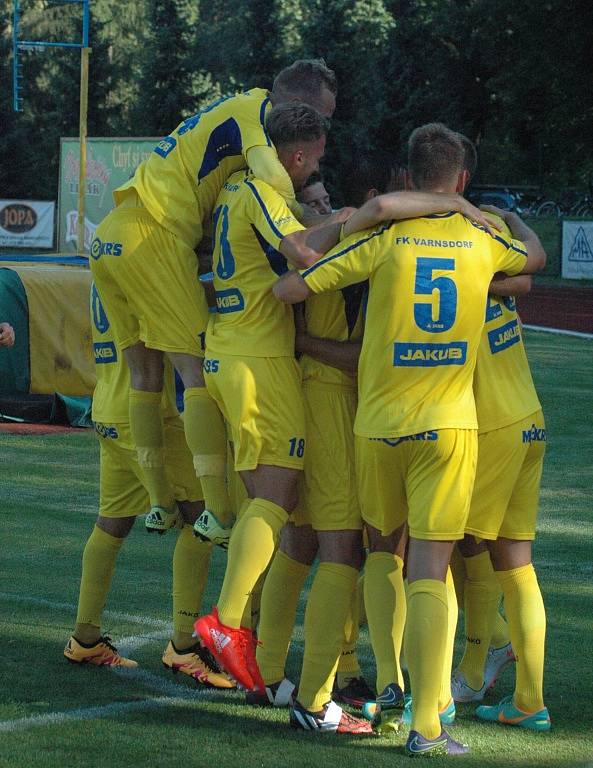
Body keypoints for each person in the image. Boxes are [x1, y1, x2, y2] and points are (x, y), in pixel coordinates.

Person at [273, 122, 546, 755]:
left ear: (408, 175)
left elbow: (290, 284)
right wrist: (490, 216)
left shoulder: (386, 239)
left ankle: (388, 684)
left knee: (379, 554)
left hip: (377, 425)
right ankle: (428, 724)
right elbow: (532, 264)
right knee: (432, 567)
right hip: (450, 428)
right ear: (460, 178)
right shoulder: (482, 240)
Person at [89, 59, 338, 539]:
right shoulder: (254, 113)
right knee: (193, 370)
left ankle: (160, 502)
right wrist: (314, 206)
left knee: (145, 372)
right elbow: (272, 177)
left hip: (114, 232)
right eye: (319, 117)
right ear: (295, 104)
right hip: (155, 234)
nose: (319, 128)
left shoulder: (238, 112)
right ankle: (219, 511)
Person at [193, 102, 351, 693]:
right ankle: (228, 623)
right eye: (315, 161)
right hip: (255, 357)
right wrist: (355, 222)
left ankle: (250, 644)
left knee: (269, 499)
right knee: (281, 492)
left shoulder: (236, 188)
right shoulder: (259, 188)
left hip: (234, 352)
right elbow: (305, 255)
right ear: (301, 152)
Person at [64, 283, 233, 690]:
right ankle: (183, 645)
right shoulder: (145, 256)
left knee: (112, 523)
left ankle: (85, 637)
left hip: (107, 403)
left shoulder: (109, 250)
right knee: (202, 519)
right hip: (146, 414)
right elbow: (172, 306)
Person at [451, 205, 551, 731]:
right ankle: (529, 701)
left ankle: (473, 669)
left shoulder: (460, 274)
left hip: (491, 426)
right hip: (529, 420)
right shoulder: (501, 278)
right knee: (516, 566)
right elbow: (533, 262)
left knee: (458, 545)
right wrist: (511, 219)